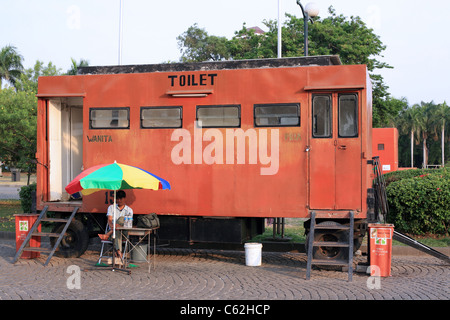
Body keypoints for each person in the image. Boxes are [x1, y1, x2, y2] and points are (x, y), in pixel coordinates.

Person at [98, 190, 133, 259]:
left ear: (124, 198)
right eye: (117, 199)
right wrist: (113, 226)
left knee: (122, 219)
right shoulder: (111, 207)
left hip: (124, 233)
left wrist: (113, 229)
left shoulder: (129, 210)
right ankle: (119, 252)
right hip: (113, 234)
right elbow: (110, 220)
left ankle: (107, 234)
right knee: (117, 232)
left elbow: (128, 224)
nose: (119, 200)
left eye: (121, 199)